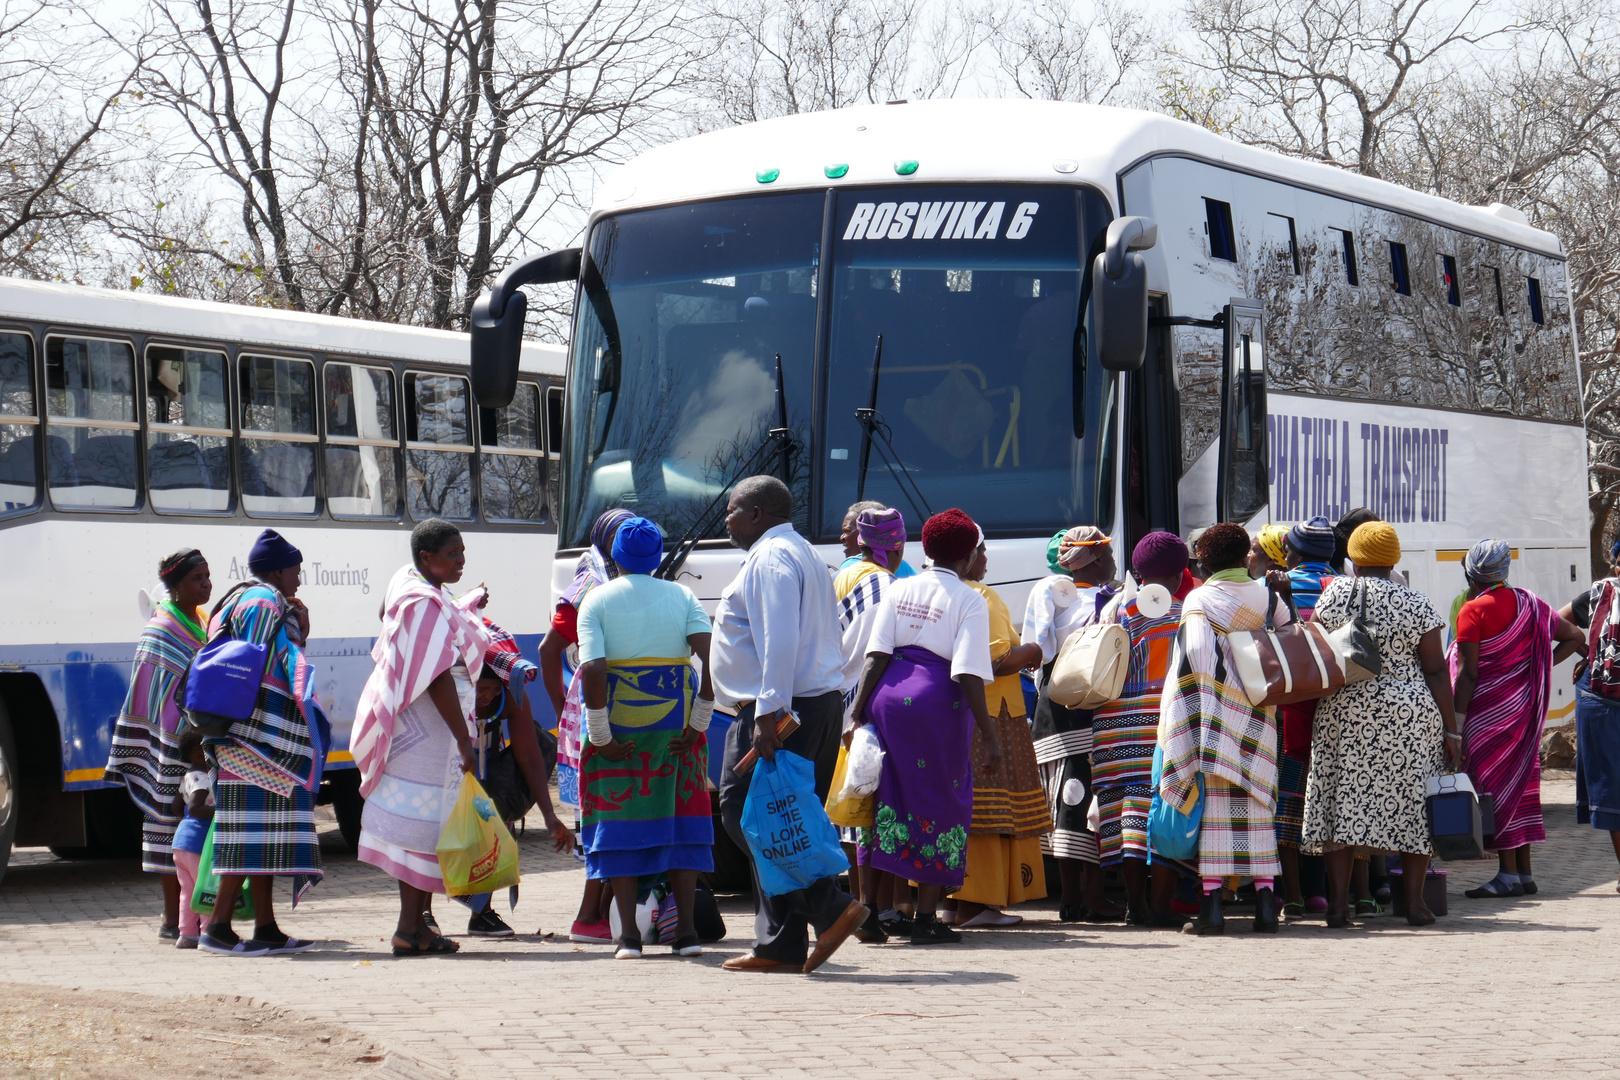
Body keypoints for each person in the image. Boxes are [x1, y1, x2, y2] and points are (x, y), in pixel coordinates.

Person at [712, 475, 868, 974]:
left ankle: (828, 906)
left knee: (745, 812)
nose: (727, 519)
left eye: (733, 511)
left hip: (780, 709)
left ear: (757, 513)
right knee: (781, 817)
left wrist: (767, 713)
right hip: (807, 704)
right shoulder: (799, 552)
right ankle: (779, 943)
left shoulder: (772, 557)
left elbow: (778, 639)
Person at [1299, 521, 1464, 926]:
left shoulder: (1334, 593)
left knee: (1341, 803)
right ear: (1394, 559)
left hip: (1344, 710)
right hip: (1408, 717)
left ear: (1353, 558)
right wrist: (1451, 730)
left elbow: (1318, 650)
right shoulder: (1416, 602)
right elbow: (1436, 671)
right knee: (1412, 806)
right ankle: (1415, 904)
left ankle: (1338, 907)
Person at [848, 509, 1002, 943]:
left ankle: (870, 914)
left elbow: (876, 655)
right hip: (937, 708)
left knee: (883, 803)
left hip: (888, 702)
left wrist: (859, 710)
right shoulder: (970, 598)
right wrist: (989, 738)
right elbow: (968, 672)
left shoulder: (900, 587)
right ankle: (926, 919)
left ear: (925, 549)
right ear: (970, 555)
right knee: (940, 802)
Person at [576, 516, 717, 960]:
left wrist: (600, 734)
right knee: (682, 819)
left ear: (614, 556)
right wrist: (700, 718)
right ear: (658, 559)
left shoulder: (595, 601)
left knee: (620, 821)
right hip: (676, 724)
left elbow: (594, 669)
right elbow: (711, 654)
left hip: (618, 727)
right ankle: (688, 935)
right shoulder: (683, 595)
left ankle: (628, 940)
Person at [352, 519, 494, 957]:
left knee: (425, 831)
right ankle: (410, 929)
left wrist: (462, 603)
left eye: (463, 552)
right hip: (430, 733)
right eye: (452, 554)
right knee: (422, 832)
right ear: (426, 558)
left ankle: (416, 928)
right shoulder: (423, 601)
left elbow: (401, 614)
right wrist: (464, 740)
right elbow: (437, 677)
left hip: (416, 730)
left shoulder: (409, 586)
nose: (461, 561)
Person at [1159, 523, 1287, 935]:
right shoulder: (1268, 596)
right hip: (1259, 713)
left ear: (1204, 561)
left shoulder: (1200, 598)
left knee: (1214, 808)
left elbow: (1195, 654)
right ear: (1244, 557)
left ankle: (1212, 908)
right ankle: (1266, 906)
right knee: (1258, 804)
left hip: (1213, 713)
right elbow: (1288, 641)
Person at [201, 529, 323, 956]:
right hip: (251, 737)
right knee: (244, 836)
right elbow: (251, 664)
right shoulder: (262, 601)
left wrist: (298, 627)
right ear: (277, 570)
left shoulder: (248, 599)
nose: (300, 580)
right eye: (296, 571)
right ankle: (216, 928)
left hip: (251, 737)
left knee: (265, 836)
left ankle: (266, 927)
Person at [1451, 538, 1585, 899]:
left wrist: (1456, 726)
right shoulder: (1533, 604)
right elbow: (1575, 636)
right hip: (1526, 713)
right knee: (1522, 787)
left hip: (1486, 715)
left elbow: (1468, 674)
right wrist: (1536, 665)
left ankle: (1506, 875)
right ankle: (1524, 874)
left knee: (1493, 790)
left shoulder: (1472, 610)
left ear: (1471, 574)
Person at [106, 547, 211, 940]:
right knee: (170, 830)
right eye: (197, 579)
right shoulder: (161, 629)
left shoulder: (199, 618)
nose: (206, 585)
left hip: (196, 739)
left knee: (195, 832)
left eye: (207, 577)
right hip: (169, 742)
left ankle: (195, 916)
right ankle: (172, 919)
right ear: (176, 586)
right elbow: (153, 691)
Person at [539, 507, 634, 944]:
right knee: (607, 815)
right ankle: (589, 916)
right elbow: (548, 650)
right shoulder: (589, 586)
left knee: (615, 812)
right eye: (618, 538)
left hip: (620, 708)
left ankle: (599, 915)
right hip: (596, 711)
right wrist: (564, 712)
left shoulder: (620, 582)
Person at [951, 531, 1049, 928]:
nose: (987, 561)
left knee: (967, 807)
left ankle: (956, 901)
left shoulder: (934, 592)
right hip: (995, 714)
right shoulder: (980, 596)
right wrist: (1033, 652)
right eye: (982, 553)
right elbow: (997, 659)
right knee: (991, 810)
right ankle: (979, 903)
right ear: (968, 555)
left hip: (963, 713)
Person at [1024, 525, 1119, 920]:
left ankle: (1076, 897)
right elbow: (1040, 648)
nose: (1115, 561)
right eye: (1109, 554)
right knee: (1077, 789)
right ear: (1095, 559)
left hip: (1070, 702)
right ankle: (1085, 898)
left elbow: (1038, 649)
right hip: (1075, 705)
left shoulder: (1102, 596)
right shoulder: (1069, 594)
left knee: (1080, 788)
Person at [1090, 532, 1185, 925]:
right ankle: (1161, 905)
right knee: (1163, 809)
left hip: (1113, 723)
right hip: (1164, 721)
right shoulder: (1182, 611)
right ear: (1179, 576)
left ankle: (1135, 904)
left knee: (1126, 809)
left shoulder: (1115, 608)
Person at [463, 612, 574, 937]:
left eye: (492, 690)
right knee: (433, 837)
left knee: (494, 832)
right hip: (446, 769)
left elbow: (527, 755)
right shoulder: (450, 694)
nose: (485, 697)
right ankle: (423, 914)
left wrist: (550, 815)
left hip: (489, 771)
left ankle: (481, 913)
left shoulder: (512, 696)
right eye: (478, 690)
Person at [832, 505, 908, 941]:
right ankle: (869, 908)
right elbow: (877, 654)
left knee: (851, 808)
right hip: (864, 702)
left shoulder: (843, 575)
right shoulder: (883, 584)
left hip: (836, 697)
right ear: (893, 547)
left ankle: (863, 906)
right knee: (869, 808)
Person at [1274, 516, 1338, 917]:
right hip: (1337, 709)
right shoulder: (1344, 585)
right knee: (1327, 799)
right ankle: (1323, 891)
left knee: (1289, 799)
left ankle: (1293, 893)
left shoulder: (1281, 586)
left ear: (1293, 552)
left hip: (1292, 706)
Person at [1571, 553, 1620, 892]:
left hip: (1601, 696)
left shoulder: (1600, 594)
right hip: (1601, 699)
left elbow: (1552, 623)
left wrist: (1589, 654)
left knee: (1613, 785)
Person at [169, 727, 215, 949]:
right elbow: (195, 808)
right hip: (197, 844)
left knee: (188, 891)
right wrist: (221, 810)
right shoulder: (204, 778)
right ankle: (209, 932)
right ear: (200, 752)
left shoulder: (188, 777)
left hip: (181, 843)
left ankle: (187, 934)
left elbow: (176, 807)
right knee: (205, 888)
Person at [838, 499, 916, 578]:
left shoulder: (849, 568)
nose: (842, 538)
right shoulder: (907, 569)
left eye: (847, 531)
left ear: (863, 534)